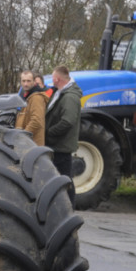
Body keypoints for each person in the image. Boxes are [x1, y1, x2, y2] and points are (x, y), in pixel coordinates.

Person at [45, 65, 82, 201]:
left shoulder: (69, 97)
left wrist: (49, 133)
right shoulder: (60, 93)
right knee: (61, 179)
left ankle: (68, 209)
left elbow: (67, 121)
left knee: (65, 180)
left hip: (61, 146)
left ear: (57, 79)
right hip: (57, 144)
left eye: (53, 77)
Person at [16, 69, 49, 145]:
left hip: (32, 144)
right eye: (23, 81)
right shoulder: (27, 96)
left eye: (28, 81)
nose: (25, 84)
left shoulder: (36, 97)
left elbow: (36, 121)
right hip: (28, 143)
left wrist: (23, 135)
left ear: (34, 82)